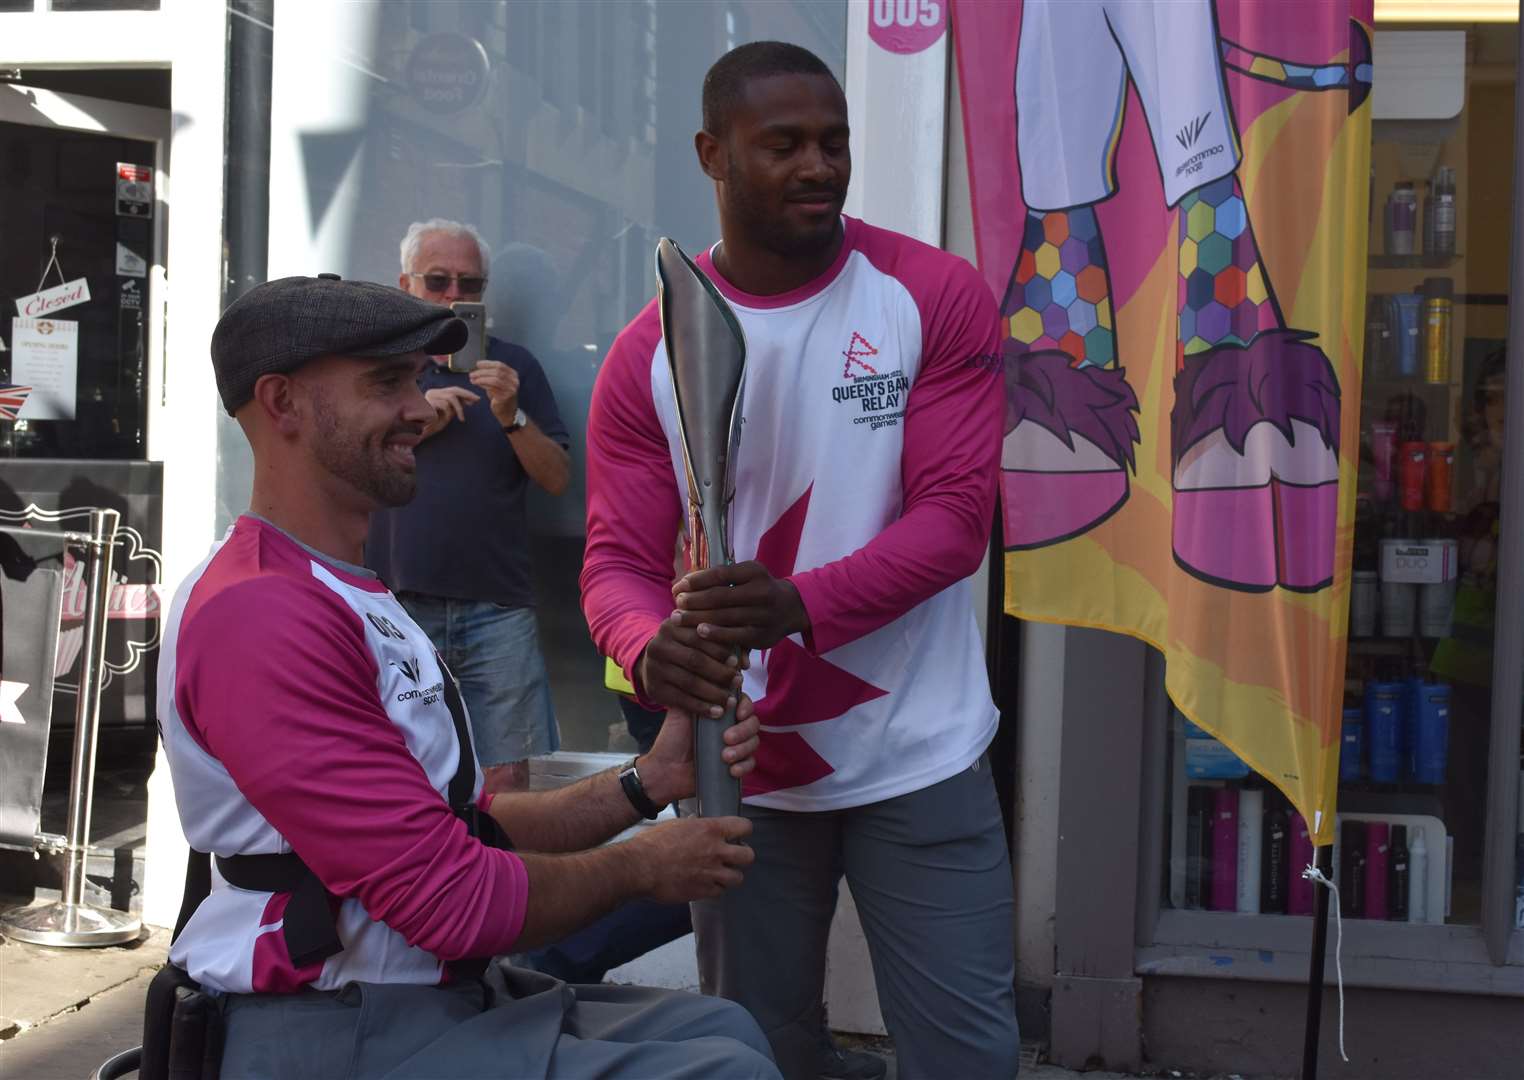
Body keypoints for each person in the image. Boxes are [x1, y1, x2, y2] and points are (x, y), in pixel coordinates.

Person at [158, 274, 779, 1079]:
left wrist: (649, 780)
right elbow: (450, 900)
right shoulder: (262, 613)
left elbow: (463, 826)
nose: (421, 407)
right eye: (388, 382)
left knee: (729, 1030)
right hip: (322, 1024)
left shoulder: (347, 589)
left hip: (421, 1001)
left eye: (418, 378)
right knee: (731, 1072)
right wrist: (646, 865)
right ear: (281, 405)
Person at [580, 41, 1020, 1080]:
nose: (820, 166)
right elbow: (615, 566)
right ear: (712, 154)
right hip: (743, 774)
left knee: (968, 1057)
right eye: (784, 145)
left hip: (920, 752)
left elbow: (956, 521)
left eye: (835, 143)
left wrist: (791, 604)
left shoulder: (929, 295)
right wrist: (655, 653)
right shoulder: (650, 350)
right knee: (754, 1055)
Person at [366, 218, 569, 793]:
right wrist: (418, 419)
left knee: (506, 777)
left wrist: (512, 414)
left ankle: (503, 882)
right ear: (405, 285)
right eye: (438, 281)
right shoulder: (378, 370)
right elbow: (344, 468)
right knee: (401, 771)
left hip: (496, 607)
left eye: (470, 285)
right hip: (396, 604)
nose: (455, 297)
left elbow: (556, 477)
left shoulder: (515, 369)